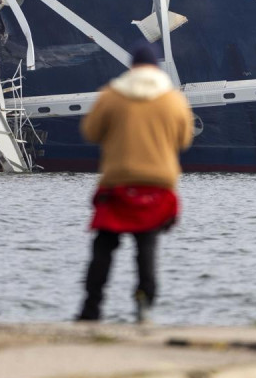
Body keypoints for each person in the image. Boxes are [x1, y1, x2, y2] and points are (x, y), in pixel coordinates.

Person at [77, 42, 194, 323]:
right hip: (158, 185)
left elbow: (91, 132)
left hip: (118, 183)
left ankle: (92, 308)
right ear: (156, 68)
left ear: (131, 67)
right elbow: (185, 140)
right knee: (147, 248)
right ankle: (144, 304)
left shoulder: (111, 96)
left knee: (103, 248)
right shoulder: (173, 100)